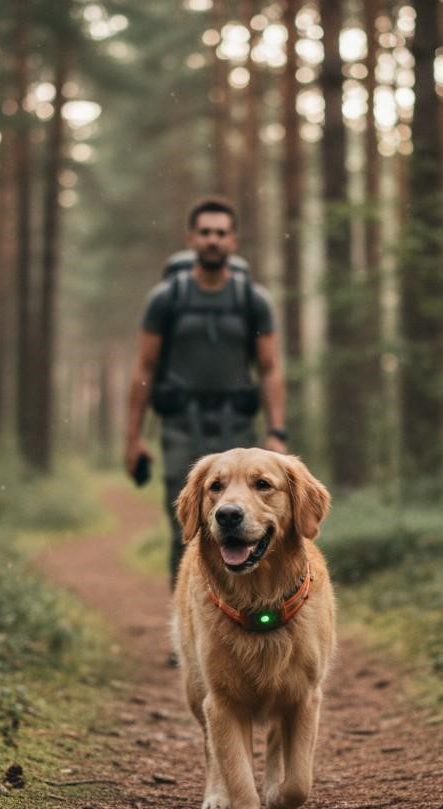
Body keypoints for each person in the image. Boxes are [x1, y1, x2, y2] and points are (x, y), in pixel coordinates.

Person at [125, 196, 288, 584]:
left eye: (221, 233)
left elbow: (269, 368)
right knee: (185, 529)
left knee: (247, 524)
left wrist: (277, 433)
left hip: (238, 427)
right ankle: (188, 632)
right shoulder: (166, 299)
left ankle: (243, 621)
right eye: (205, 232)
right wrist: (133, 439)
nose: (213, 239)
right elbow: (144, 367)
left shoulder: (253, 301)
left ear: (233, 241)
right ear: (191, 239)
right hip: (181, 425)